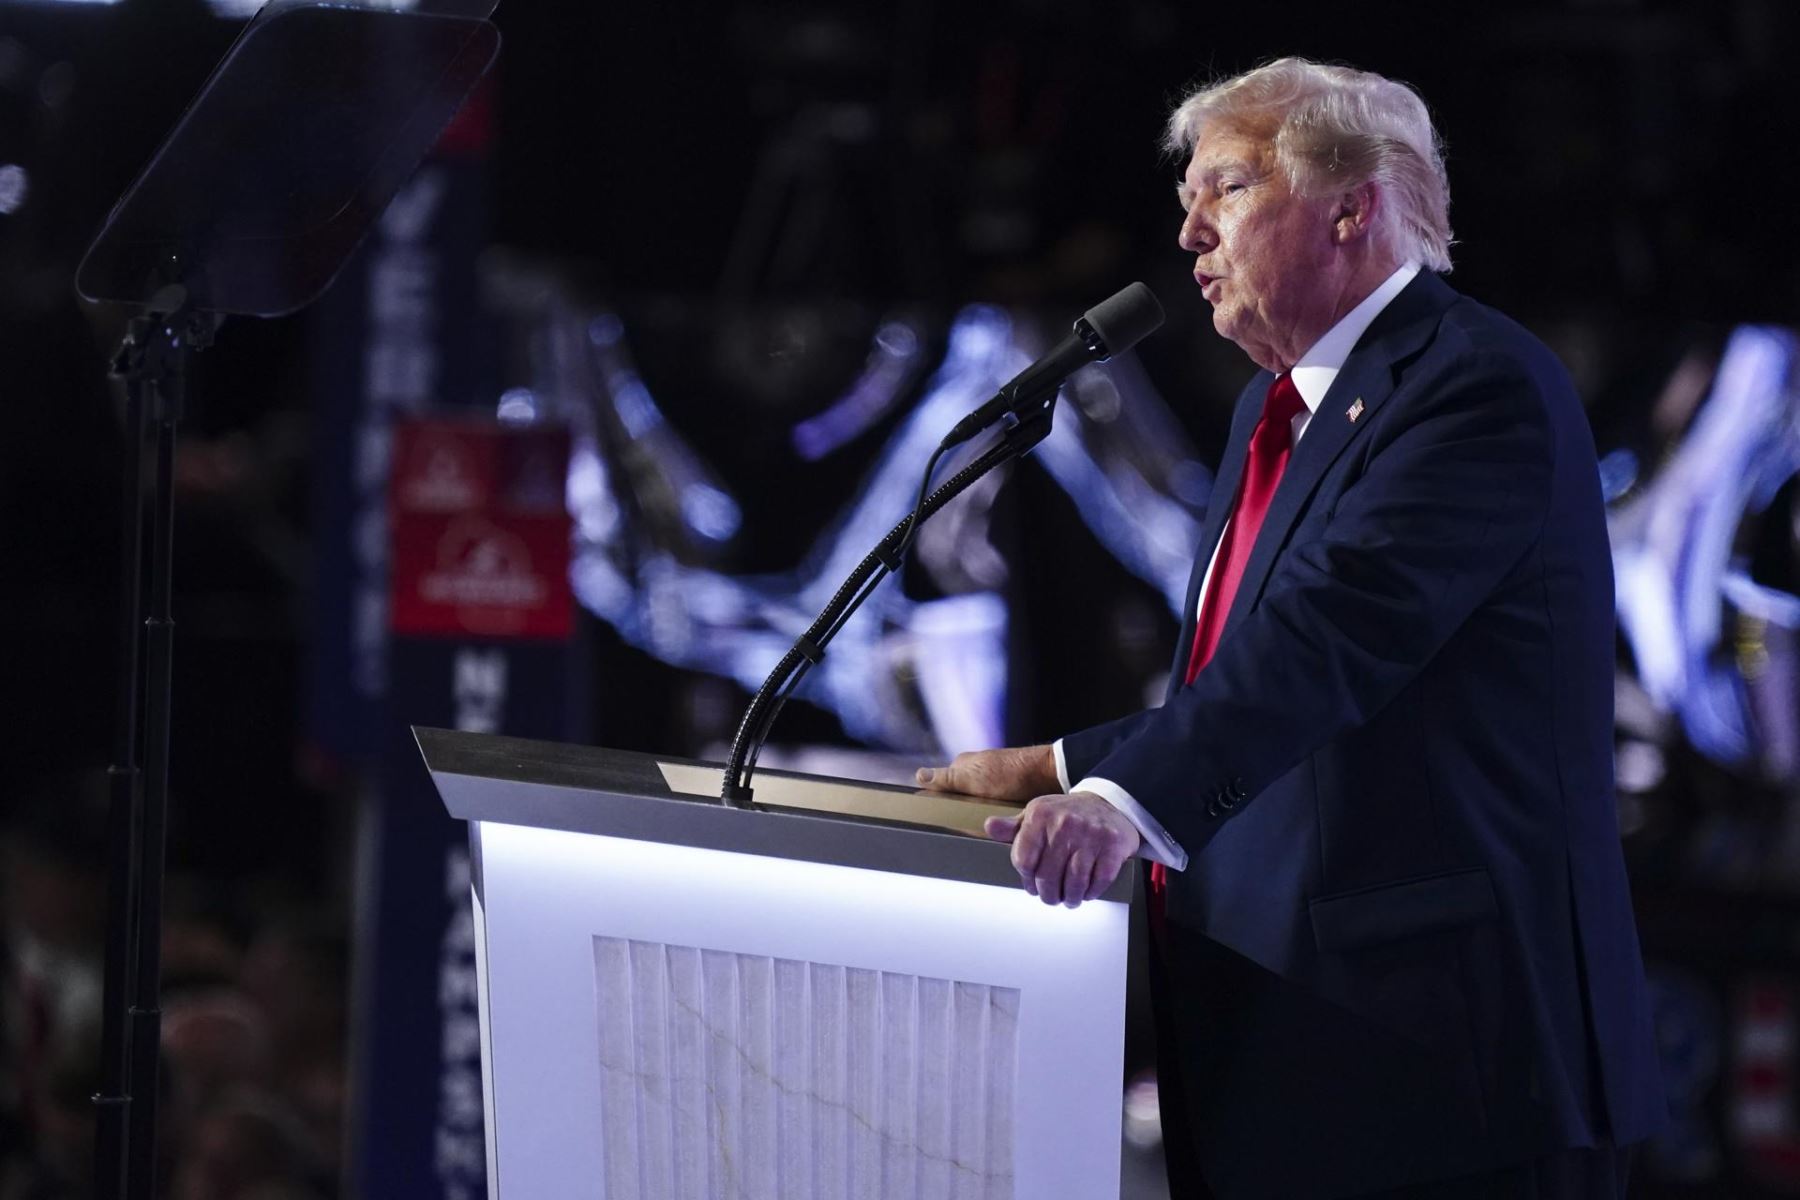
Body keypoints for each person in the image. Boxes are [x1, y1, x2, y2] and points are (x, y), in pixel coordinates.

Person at [918, 58, 1666, 1199]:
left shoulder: (1472, 388)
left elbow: (1330, 640)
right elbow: (1248, 687)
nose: (1187, 236)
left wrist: (1122, 804)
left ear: (1351, 207)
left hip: (1447, 1071)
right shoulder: (1272, 419)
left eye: (1222, 189)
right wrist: (1057, 766)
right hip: (1296, 1057)